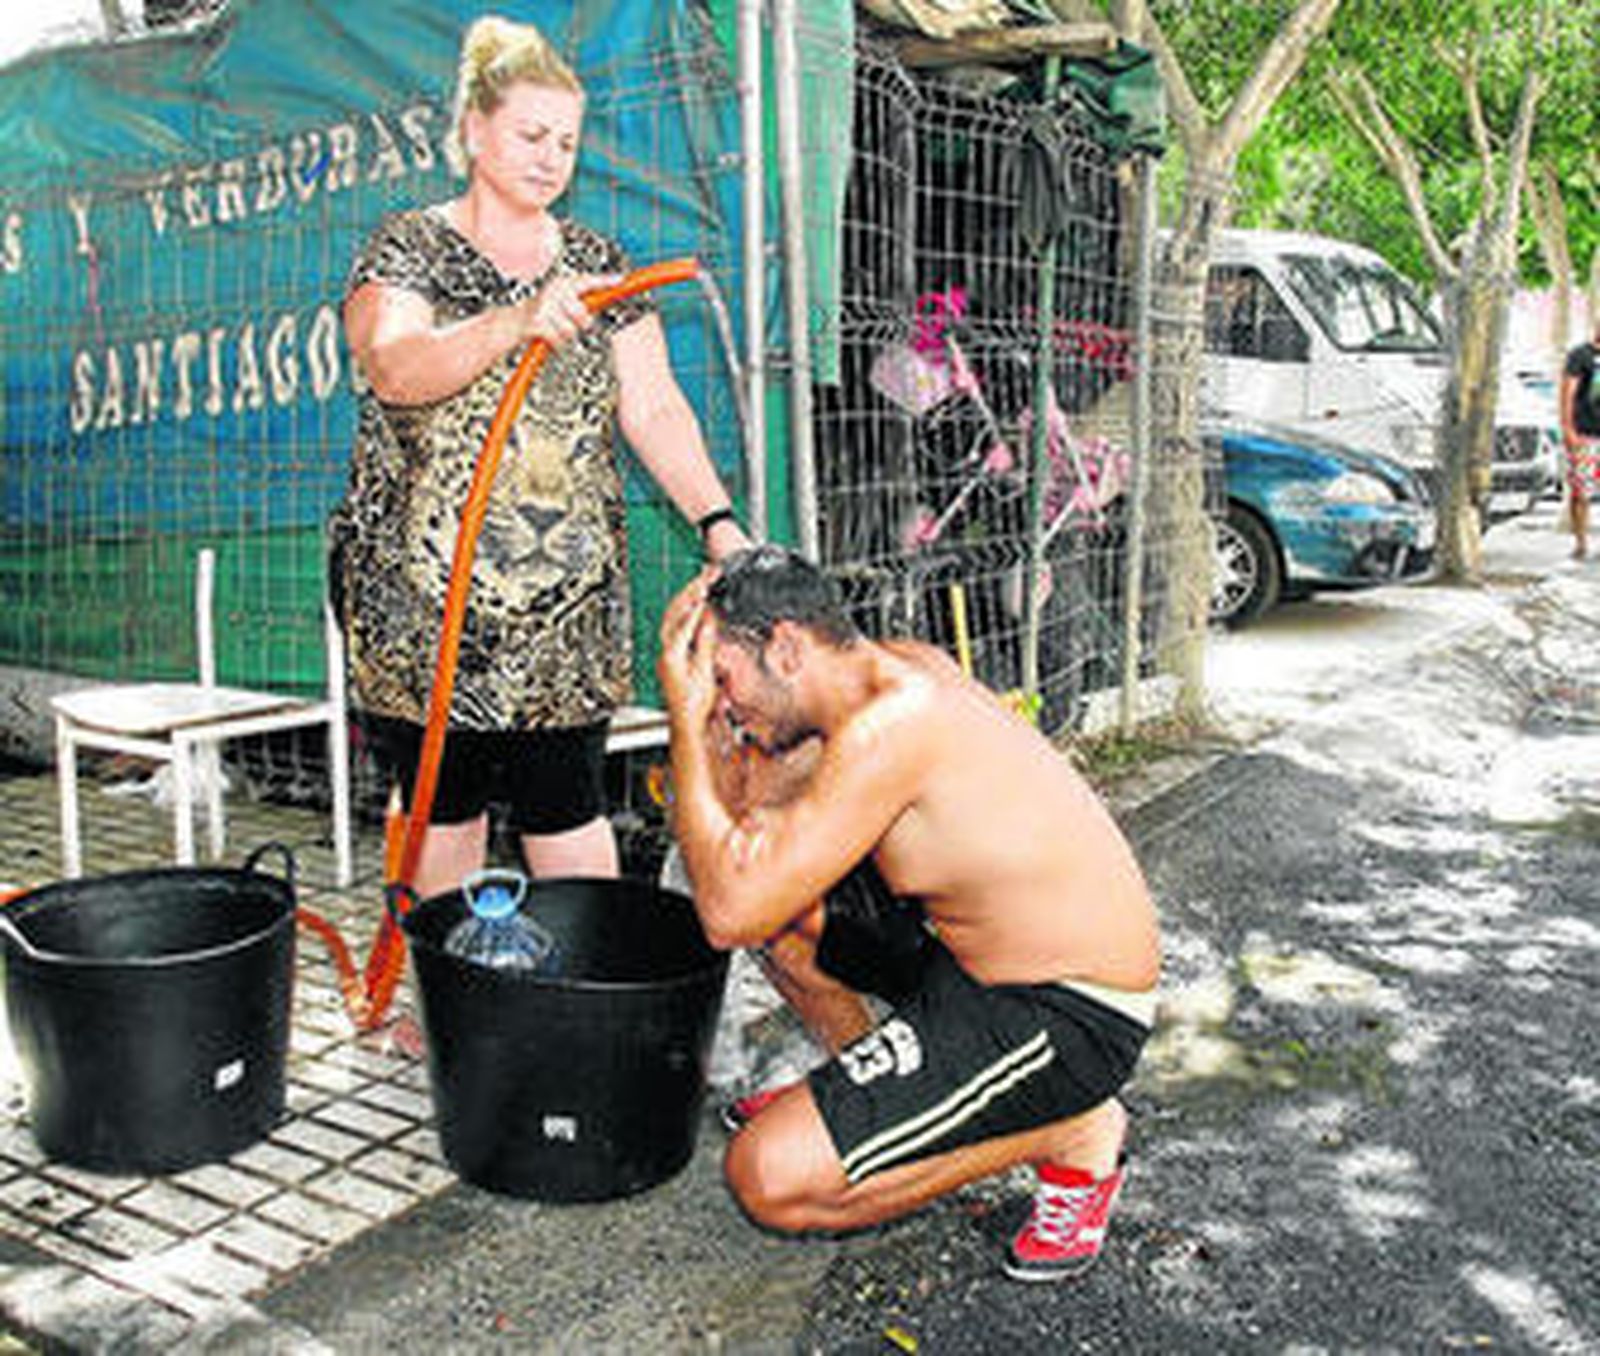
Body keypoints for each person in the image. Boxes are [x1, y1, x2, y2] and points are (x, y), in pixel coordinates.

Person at [657, 545, 1161, 1282]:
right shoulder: (875, 680)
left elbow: (725, 910)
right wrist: (720, 732)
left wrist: (683, 715)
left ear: (787, 648)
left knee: (769, 1176)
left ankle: (1074, 1128)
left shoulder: (896, 722)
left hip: (1070, 1010)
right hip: (971, 962)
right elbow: (748, 841)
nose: (720, 701)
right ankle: (863, 1089)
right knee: (785, 916)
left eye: (723, 679)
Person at [329, 15, 748, 900]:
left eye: (566, 141)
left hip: (567, 602)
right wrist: (513, 321)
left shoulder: (600, 265)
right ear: (474, 129)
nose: (550, 157)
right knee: (445, 807)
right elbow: (396, 367)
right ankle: (442, 1007)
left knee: (568, 803)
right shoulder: (407, 247)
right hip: (426, 602)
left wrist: (719, 525)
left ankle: (584, 994)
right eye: (530, 134)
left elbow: (656, 406)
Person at [1560, 319, 1600, 561]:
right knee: (1581, 492)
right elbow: (1567, 393)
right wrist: (1568, 429)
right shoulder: (1580, 356)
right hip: (1585, 433)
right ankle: (1581, 541)